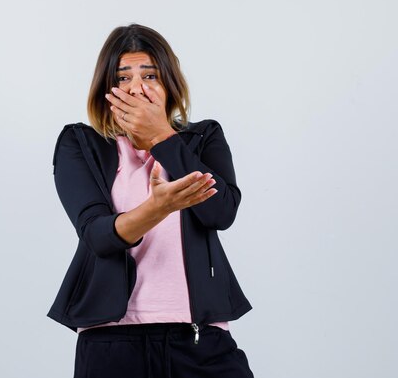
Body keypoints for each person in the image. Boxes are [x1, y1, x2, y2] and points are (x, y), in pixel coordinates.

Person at [47, 23, 254, 378]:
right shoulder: (81, 144)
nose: (136, 87)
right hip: (112, 344)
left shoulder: (204, 138)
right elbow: (97, 235)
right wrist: (158, 208)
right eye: (123, 77)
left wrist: (161, 136)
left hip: (199, 341)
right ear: (106, 89)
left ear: (169, 85)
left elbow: (221, 212)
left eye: (150, 75)